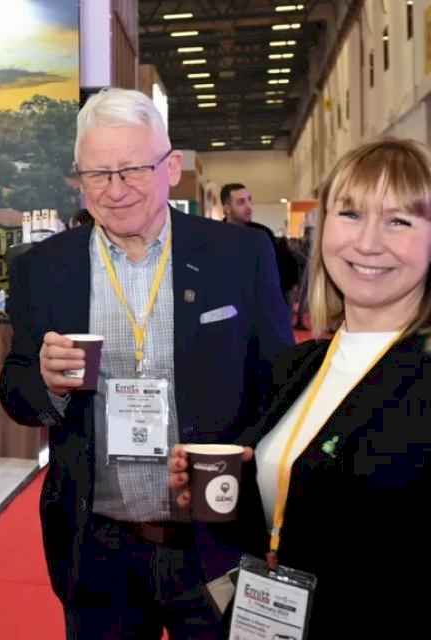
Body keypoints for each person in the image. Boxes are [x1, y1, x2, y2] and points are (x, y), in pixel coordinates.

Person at [0, 87, 293, 639]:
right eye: (97, 174)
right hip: (96, 547)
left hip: (214, 539)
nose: (115, 190)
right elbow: (14, 389)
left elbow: (280, 383)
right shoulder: (43, 268)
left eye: (133, 169)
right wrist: (46, 382)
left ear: (171, 168)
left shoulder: (239, 256)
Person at [169, 138, 431, 637]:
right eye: (350, 214)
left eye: (399, 221)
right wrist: (225, 488)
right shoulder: (299, 367)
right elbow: (290, 509)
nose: (368, 242)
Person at [222, 182, 302, 302]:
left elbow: (283, 268)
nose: (249, 206)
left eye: (249, 200)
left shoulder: (263, 233)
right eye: (241, 202)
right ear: (227, 209)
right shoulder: (216, 238)